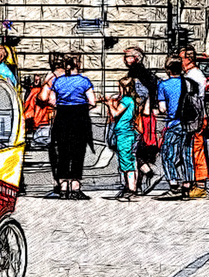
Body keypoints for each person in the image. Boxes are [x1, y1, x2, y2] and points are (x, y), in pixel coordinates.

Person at [44, 54, 97, 199]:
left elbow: (51, 100)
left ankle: (63, 187)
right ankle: (75, 187)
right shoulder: (84, 81)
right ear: (78, 66)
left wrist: (63, 105)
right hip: (79, 118)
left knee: (63, 152)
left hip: (62, 117)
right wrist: (81, 108)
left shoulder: (59, 81)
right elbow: (93, 101)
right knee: (78, 152)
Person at [123, 47, 161, 193]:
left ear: (136, 58)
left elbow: (138, 95)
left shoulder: (136, 73)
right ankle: (137, 185)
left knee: (134, 150)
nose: (125, 60)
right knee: (140, 150)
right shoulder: (148, 74)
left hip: (140, 116)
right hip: (148, 115)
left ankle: (149, 173)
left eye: (128, 57)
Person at [157, 55, 192, 197]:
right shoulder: (190, 83)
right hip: (189, 124)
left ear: (167, 69)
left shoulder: (164, 85)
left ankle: (173, 184)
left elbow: (162, 108)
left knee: (167, 154)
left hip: (174, 123)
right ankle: (187, 185)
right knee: (186, 155)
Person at [179, 46, 209, 198]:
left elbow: (193, 101)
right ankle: (194, 183)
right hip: (195, 117)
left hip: (195, 118)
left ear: (189, 59)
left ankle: (200, 185)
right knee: (192, 150)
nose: (180, 62)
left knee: (196, 151)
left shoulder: (194, 76)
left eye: (181, 58)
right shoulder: (193, 74)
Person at [103, 77, 141, 200]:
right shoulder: (132, 100)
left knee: (126, 162)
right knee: (128, 160)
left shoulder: (126, 100)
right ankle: (129, 187)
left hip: (124, 134)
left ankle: (131, 189)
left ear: (124, 88)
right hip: (127, 132)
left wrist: (109, 104)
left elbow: (115, 114)